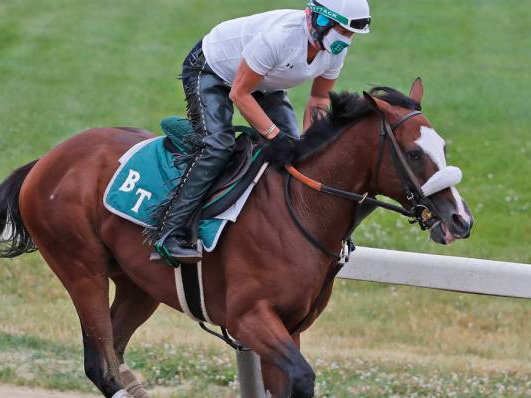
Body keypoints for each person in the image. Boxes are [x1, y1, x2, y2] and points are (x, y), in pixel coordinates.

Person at [150, 0, 371, 264]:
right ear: (320, 21)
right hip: (211, 71)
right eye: (342, 31)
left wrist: (311, 147)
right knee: (218, 146)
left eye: (350, 34)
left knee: (296, 154)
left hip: (263, 83)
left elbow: (319, 99)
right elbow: (239, 93)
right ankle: (169, 232)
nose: (344, 40)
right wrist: (273, 134)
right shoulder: (279, 38)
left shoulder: (333, 50)